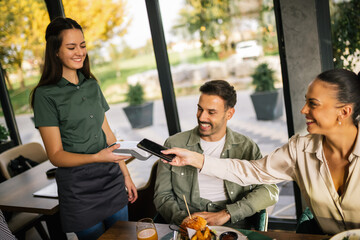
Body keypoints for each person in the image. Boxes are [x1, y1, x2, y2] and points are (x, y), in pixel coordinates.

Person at [162, 69, 360, 235]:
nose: (303, 110)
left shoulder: (246, 144)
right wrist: (196, 159)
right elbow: (251, 171)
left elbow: (266, 191)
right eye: (305, 101)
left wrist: (227, 214)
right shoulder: (299, 149)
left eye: (313, 104)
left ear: (344, 112)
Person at [30, 17, 138, 240]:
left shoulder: (92, 84)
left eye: (82, 45)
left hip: (111, 179)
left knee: (124, 237)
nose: (79, 52)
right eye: (71, 47)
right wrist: (98, 157)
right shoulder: (45, 95)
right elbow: (56, 156)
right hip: (79, 190)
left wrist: (125, 175)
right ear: (55, 51)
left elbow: (108, 135)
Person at [154, 80, 279, 228]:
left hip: (232, 223)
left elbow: (269, 189)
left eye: (211, 112)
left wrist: (227, 213)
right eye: (200, 109)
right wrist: (183, 220)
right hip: (186, 223)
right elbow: (162, 195)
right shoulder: (174, 144)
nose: (201, 117)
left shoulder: (246, 147)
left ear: (229, 114)